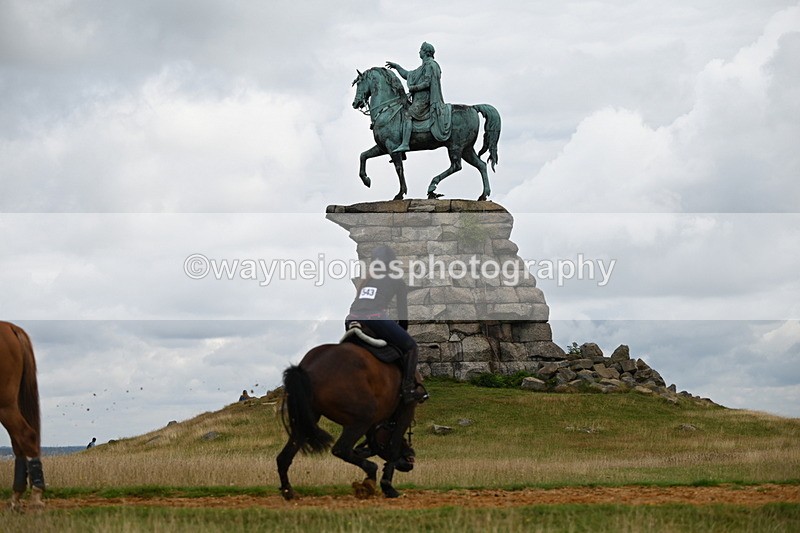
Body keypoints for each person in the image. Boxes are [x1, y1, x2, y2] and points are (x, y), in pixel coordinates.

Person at [345, 245, 428, 404]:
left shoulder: (366, 280)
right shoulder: (397, 281)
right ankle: (408, 389)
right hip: (375, 318)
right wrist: (401, 332)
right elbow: (402, 315)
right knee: (411, 347)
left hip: (351, 319)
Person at [386, 41, 452, 152]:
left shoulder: (430, 65)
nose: (419, 52)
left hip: (425, 100)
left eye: (421, 50)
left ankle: (405, 144)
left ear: (425, 52)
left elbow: (427, 83)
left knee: (407, 115)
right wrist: (397, 67)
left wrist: (413, 88)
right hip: (420, 99)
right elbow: (408, 75)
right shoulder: (423, 66)